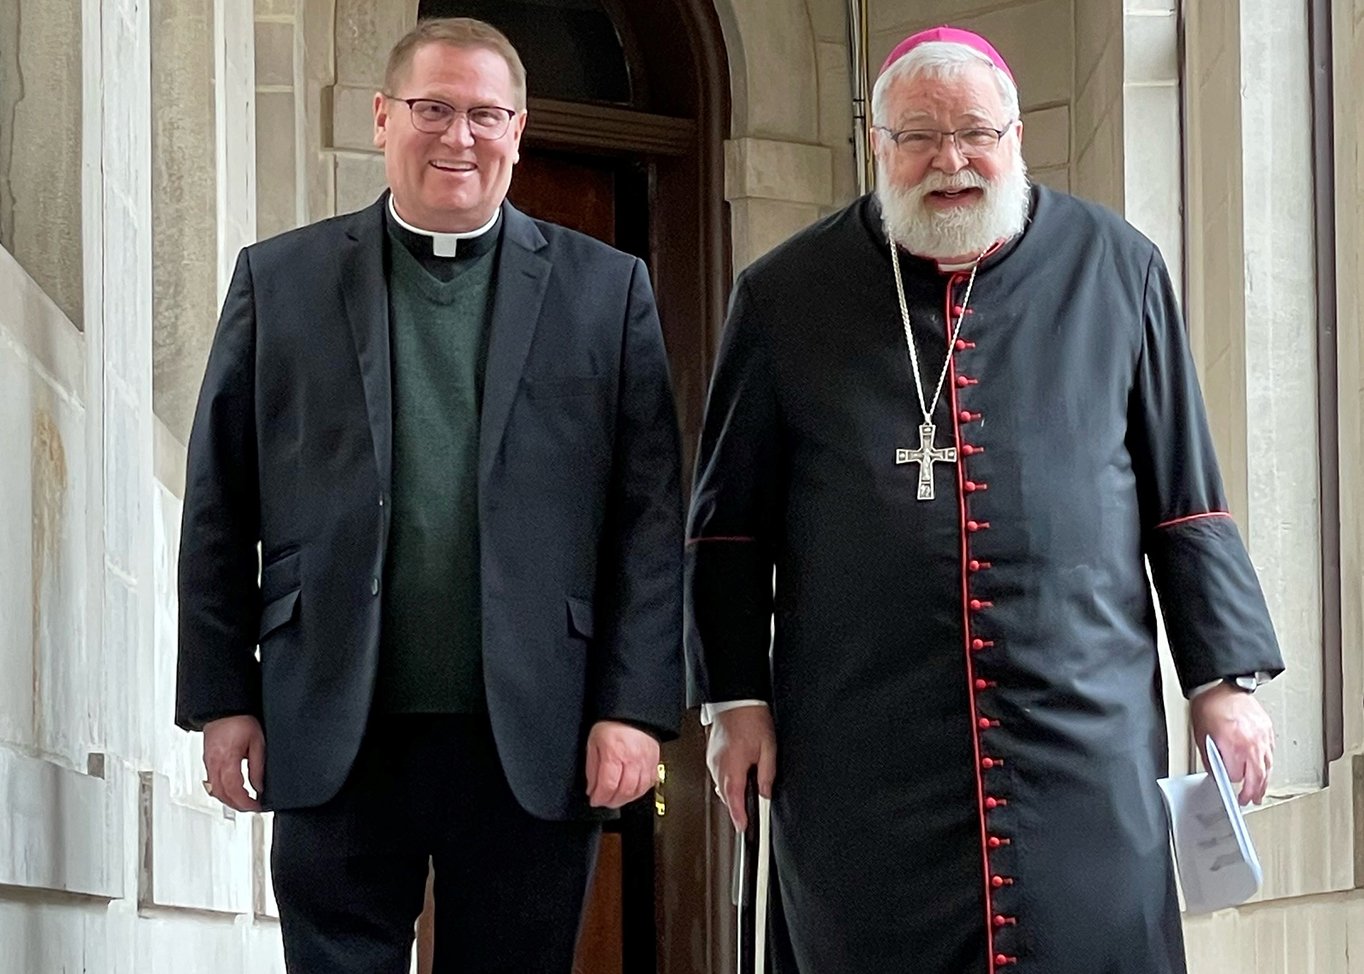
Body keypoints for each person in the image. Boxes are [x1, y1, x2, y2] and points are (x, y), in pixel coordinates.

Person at [685, 25, 1282, 974]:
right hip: (861, 746)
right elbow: (726, 529)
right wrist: (733, 699)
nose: (950, 160)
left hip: (1080, 733)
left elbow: (1185, 498)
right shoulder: (784, 294)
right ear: (876, 149)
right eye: (917, 136)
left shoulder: (1116, 267)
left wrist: (1223, 682)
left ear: (1017, 137)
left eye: (975, 132)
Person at [176, 17, 683, 973]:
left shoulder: (606, 292)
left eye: (485, 115)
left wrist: (637, 706)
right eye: (433, 109)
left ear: (519, 130)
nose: (459, 137)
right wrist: (221, 697)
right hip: (334, 717)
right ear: (382, 117)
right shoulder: (279, 281)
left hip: (535, 725)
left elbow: (649, 521)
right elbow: (219, 505)